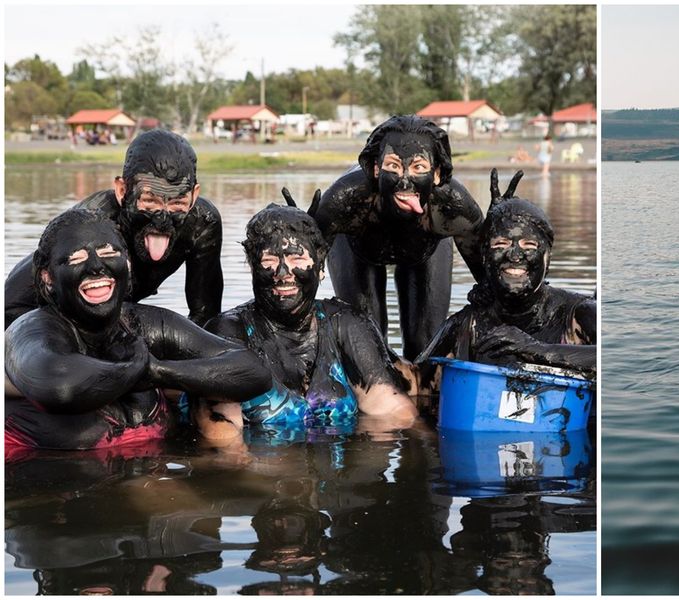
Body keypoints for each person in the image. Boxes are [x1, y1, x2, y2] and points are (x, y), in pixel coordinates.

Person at [4, 209, 270, 453]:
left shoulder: (143, 323)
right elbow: (59, 385)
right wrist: (130, 369)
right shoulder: (32, 330)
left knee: (219, 399)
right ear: (48, 277)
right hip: (50, 472)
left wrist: (158, 371)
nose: (96, 267)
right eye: (76, 259)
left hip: (145, 464)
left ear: (128, 264)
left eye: (108, 254)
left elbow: (252, 371)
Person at [195, 192, 420, 441]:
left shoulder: (346, 324)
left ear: (320, 267)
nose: (283, 273)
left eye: (297, 258)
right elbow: (222, 436)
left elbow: (393, 411)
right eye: (269, 260)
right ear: (252, 267)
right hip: (262, 461)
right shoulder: (228, 332)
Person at [5, 129, 224, 329]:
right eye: (150, 202)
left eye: (177, 204)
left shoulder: (201, 223)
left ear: (194, 195)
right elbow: (11, 306)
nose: (163, 219)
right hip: (33, 316)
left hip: (111, 314)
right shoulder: (92, 223)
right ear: (122, 191)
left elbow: (206, 315)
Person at [311, 115, 486, 360]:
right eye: (393, 167)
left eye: (418, 168)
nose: (404, 181)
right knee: (366, 345)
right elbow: (303, 270)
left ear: (436, 174)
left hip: (425, 248)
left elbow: (490, 280)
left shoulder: (451, 207)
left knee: (425, 347)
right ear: (375, 169)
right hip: (357, 244)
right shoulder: (347, 199)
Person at [417, 170, 596, 379]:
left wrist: (536, 350)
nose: (515, 255)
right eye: (501, 244)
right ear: (485, 257)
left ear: (547, 258)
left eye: (529, 246)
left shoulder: (579, 315)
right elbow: (415, 382)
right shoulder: (467, 325)